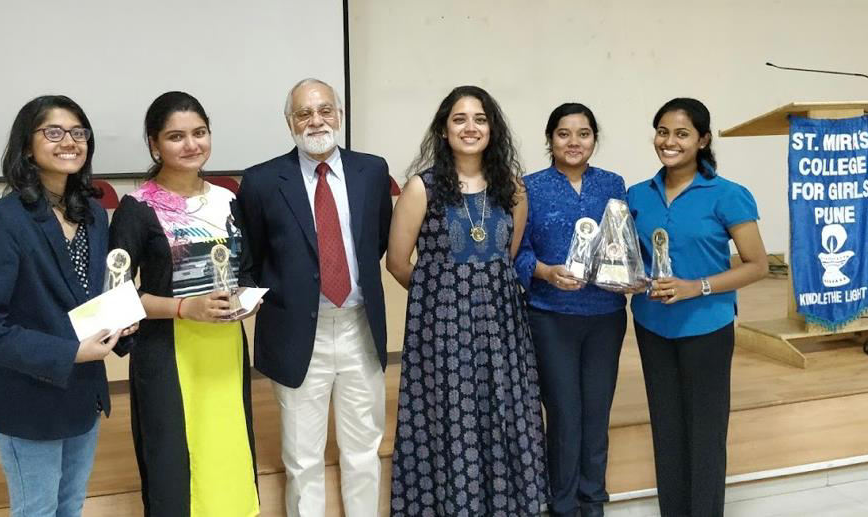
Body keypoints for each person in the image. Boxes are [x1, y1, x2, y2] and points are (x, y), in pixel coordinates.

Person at [0, 95, 132, 516]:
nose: (69, 141)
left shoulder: (93, 212)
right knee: (36, 510)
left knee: (70, 505)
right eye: (53, 132)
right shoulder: (3, 220)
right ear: (26, 147)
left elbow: (93, 293)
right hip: (27, 397)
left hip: (82, 394)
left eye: (78, 132)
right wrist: (70, 352)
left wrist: (122, 321)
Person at [386, 85, 548, 516]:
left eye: (479, 119)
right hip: (442, 333)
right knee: (450, 420)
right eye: (459, 119)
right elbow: (399, 263)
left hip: (502, 329)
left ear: (492, 129)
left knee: (503, 414)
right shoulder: (421, 188)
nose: (470, 127)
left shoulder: (511, 189)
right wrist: (441, 299)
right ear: (443, 129)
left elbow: (506, 256)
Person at [235, 78, 393, 517]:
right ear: (290, 123)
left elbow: (376, 239)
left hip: (360, 325)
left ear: (339, 116)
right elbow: (254, 253)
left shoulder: (373, 171)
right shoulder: (263, 181)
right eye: (304, 113)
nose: (315, 120)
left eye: (324, 110)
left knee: (364, 447)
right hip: (299, 332)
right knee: (302, 457)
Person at [108, 91, 259, 517]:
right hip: (166, 353)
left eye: (200, 133)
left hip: (224, 348)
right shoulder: (136, 208)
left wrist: (249, 301)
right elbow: (115, 298)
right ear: (154, 144)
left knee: (227, 452)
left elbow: (245, 271)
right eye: (176, 136)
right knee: (173, 464)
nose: (191, 145)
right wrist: (182, 308)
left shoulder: (229, 199)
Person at [627, 97, 768, 517]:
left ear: (703, 140)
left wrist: (696, 287)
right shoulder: (638, 195)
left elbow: (757, 265)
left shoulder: (728, 195)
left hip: (707, 327)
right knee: (667, 430)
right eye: (663, 132)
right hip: (653, 326)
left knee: (705, 434)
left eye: (682, 133)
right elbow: (632, 260)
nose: (669, 142)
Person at [514, 102, 627, 517]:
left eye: (583, 134)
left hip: (605, 315)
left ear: (594, 139)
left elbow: (623, 244)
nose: (574, 142)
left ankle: (592, 500)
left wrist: (629, 272)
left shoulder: (613, 184)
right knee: (563, 413)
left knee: (597, 411)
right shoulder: (528, 187)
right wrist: (543, 271)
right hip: (550, 315)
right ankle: (561, 503)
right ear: (550, 139)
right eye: (564, 134)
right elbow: (516, 252)